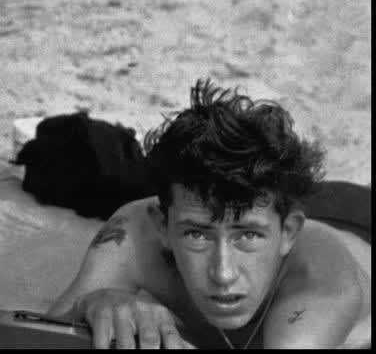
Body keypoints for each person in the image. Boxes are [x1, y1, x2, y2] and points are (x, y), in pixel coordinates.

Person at [47, 79, 371, 349]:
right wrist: (92, 304)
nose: (223, 274)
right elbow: (34, 335)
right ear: (163, 225)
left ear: (288, 233)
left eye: (247, 237)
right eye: (196, 234)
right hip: (265, 203)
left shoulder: (319, 292)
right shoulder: (137, 229)